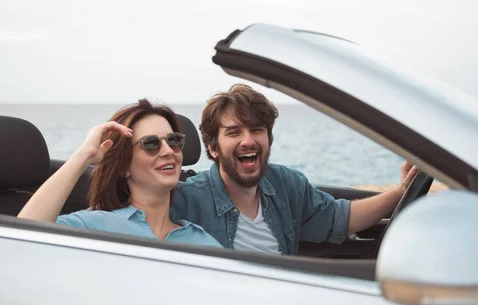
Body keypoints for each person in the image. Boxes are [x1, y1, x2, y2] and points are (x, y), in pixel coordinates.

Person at [170, 84, 418, 254]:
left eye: (256, 130)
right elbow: (136, 209)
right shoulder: (187, 198)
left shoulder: (285, 184)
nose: (248, 140)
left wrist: (402, 191)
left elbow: (340, 218)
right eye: (234, 132)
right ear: (213, 148)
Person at [17, 99, 221, 248]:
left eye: (174, 140)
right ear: (124, 166)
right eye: (151, 144)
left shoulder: (199, 240)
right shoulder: (96, 226)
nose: (168, 151)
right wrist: (84, 155)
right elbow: (23, 238)